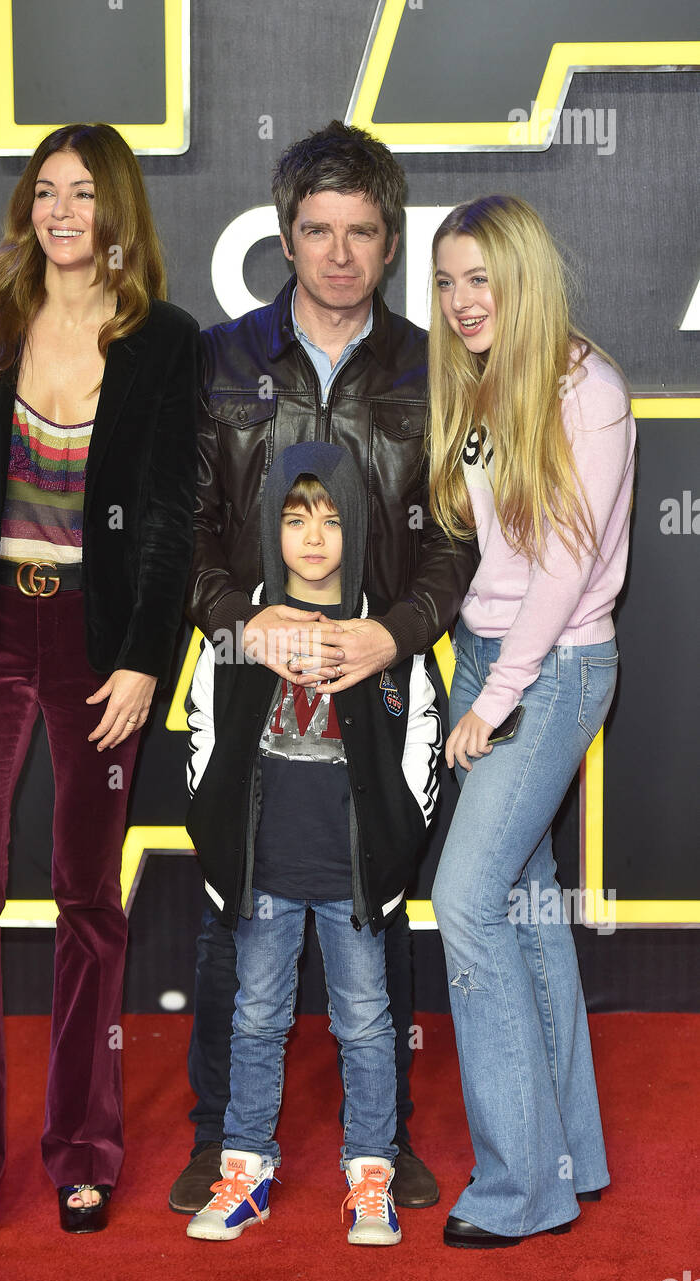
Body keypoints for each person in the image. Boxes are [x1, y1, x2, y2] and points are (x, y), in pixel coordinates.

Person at [0, 123, 199, 1252]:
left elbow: (168, 519)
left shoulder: (166, 342)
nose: (63, 211)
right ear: (29, 205)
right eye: (47, 191)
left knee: (87, 900)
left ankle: (83, 1153)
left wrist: (145, 657)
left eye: (84, 193)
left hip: (95, 641)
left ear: (117, 210)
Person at [171, 119, 478, 1215]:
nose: (339, 254)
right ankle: (221, 1140)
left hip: (380, 674)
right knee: (234, 910)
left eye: (361, 232)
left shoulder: (433, 369)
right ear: (284, 234)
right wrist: (239, 622)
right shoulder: (220, 359)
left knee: (373, 901)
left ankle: (381, 1144)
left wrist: (397, 632)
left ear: (391, 240)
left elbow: (458, 538)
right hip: (248, 674)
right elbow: (180, 528)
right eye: (317, 230)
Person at [427, 194, 635, 1247]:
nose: (462, 301)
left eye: (482, 279)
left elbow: (564, 567)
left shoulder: (586, 388)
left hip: (549, 671)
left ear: (526, 279)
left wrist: (495, 697)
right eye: (447, 281)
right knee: (522, 902)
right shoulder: (481, 376)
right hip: (486, 656)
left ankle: (519, 1191)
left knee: (465, 899)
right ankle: (571, 1158)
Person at [184, 441, 441, 1243]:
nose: (314, 537)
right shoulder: (241, 630)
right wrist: (216, 833)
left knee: (364, 1024)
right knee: (256, 1019)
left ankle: (371, 1176)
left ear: (357, 526)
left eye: (331, 520)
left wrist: (397, 839)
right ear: (271, 527)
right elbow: (201, 728)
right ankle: (244, 1172)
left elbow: (421, 736)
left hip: (352, 879)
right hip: (263, 871)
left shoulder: (383, 634)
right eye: (296, 520)